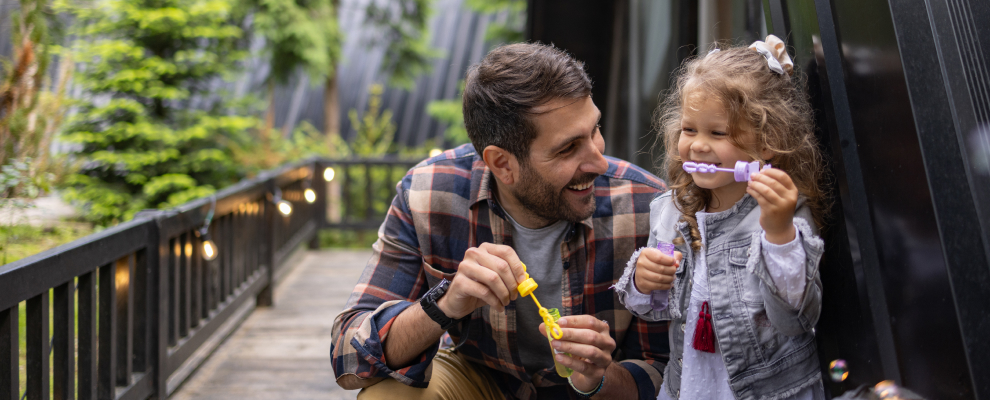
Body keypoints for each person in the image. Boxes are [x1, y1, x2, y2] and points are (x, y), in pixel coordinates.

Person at [331, 43, 670, 399]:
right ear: (502, 164)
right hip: (483, 381)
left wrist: (600, 376)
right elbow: (349, 356)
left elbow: (668, 370)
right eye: (568, 149)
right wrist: (446, 304)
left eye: (594, 130)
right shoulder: (429, 195)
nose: (598, 162)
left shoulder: (646, 206)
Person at [613, 35, 829, 400]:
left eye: (718, 133)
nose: (697, 144)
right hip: (689, 387)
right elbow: (655, 310)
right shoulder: (671, 209)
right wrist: (642, 280)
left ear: (766, 142)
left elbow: (794, 318)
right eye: (689, 129)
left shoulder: (782, 213)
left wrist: (778, 232)